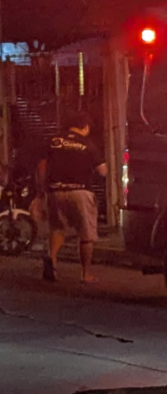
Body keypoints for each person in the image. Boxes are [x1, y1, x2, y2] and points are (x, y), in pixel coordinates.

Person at [37, 112, 107, 283]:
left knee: (58, 229)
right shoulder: (88, 144)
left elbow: (41, 167)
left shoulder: (53, 141)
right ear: (85, 127)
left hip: (56, 191)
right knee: (86, 234)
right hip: (80, 192)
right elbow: (102, 171)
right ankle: (85, 274)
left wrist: (41, 191)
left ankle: (52, 260)